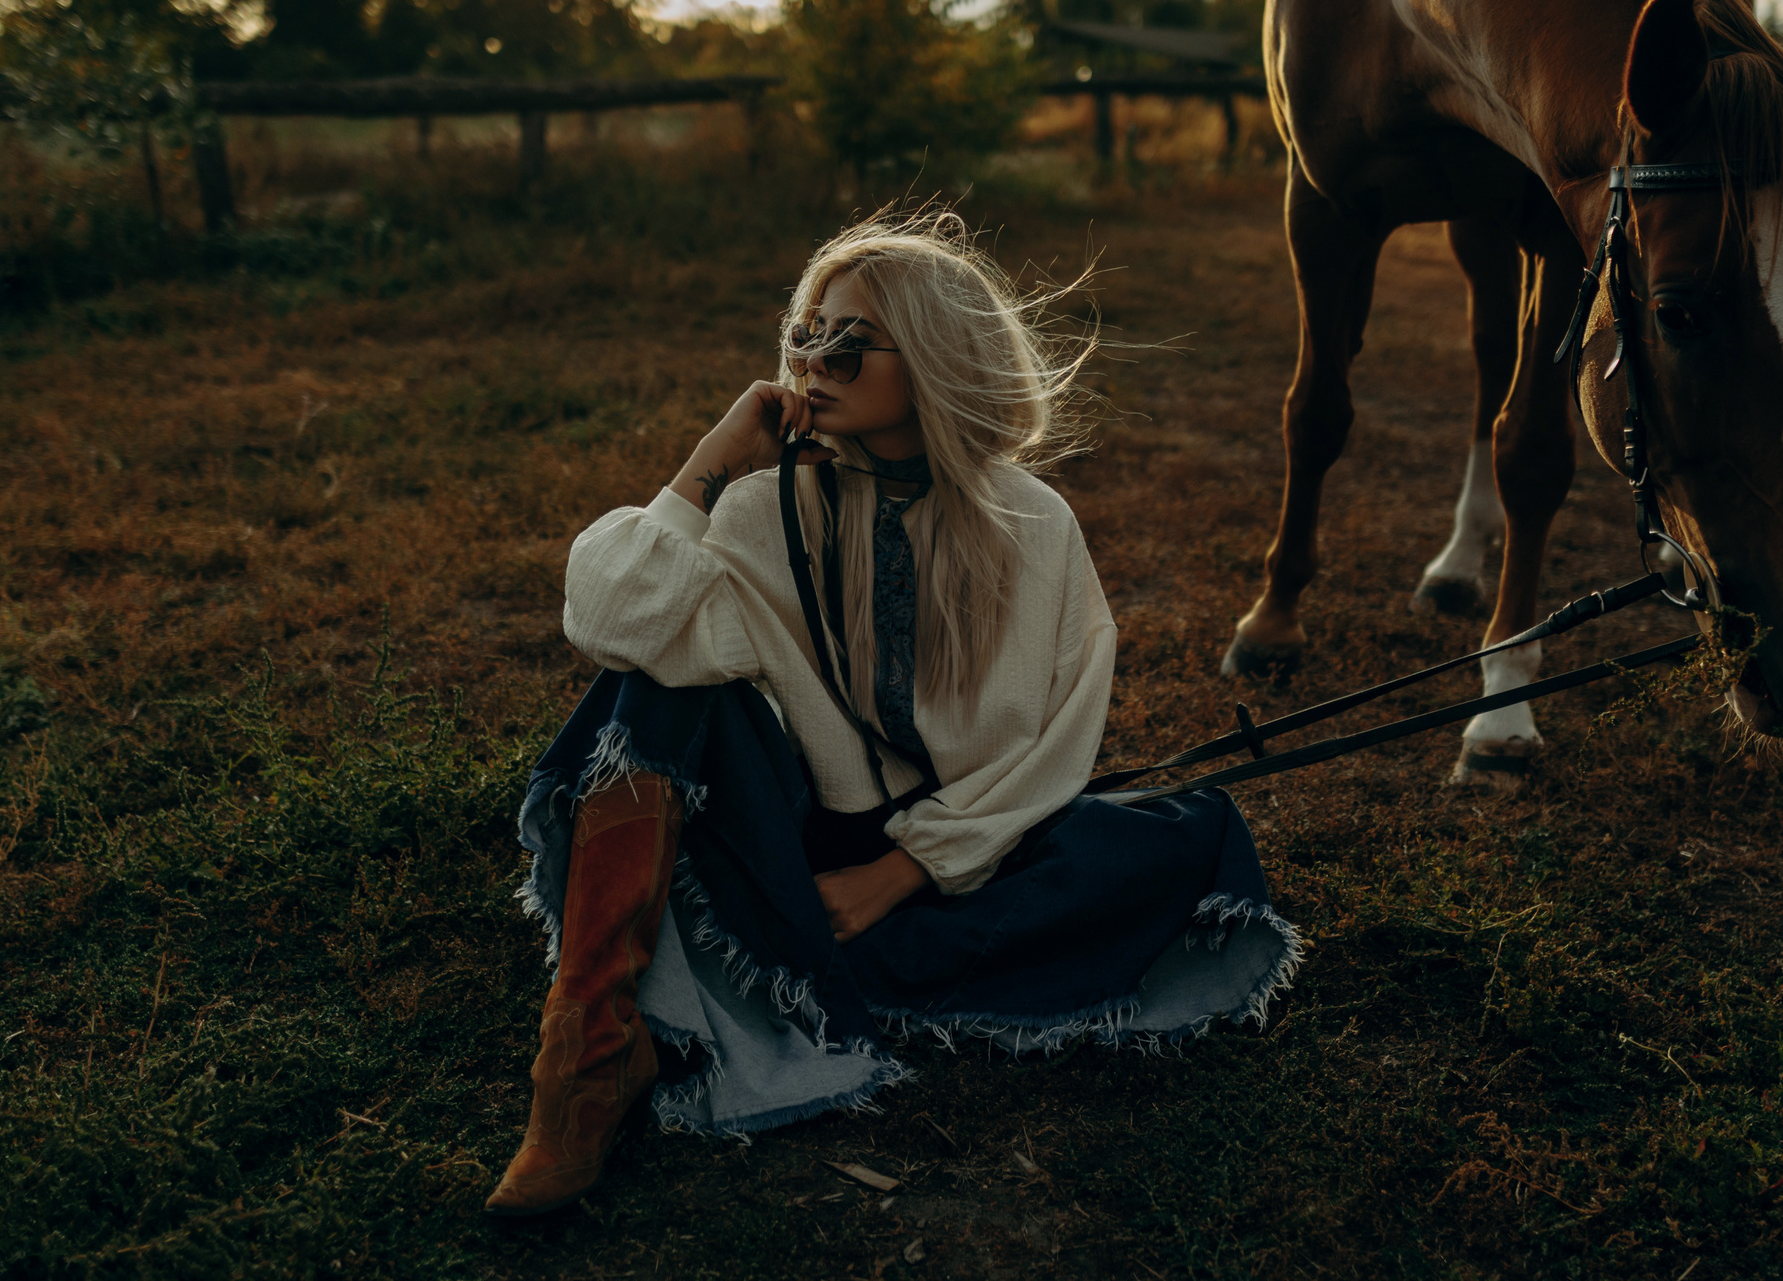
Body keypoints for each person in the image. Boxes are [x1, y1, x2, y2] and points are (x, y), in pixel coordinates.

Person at [486, 208, 1299, 1217]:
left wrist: (903, 869)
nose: (812, 361)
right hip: (798, 832)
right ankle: (588, 1052)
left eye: (848, 343)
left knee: (1179, 836)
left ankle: (804, 959)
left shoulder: (1032, 522)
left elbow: (1049, 750)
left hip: (962, 847)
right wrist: (709, 462)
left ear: (936, 357)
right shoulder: (763, 504)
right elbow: (609, 624)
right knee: (655, 678)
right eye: (805, 335)